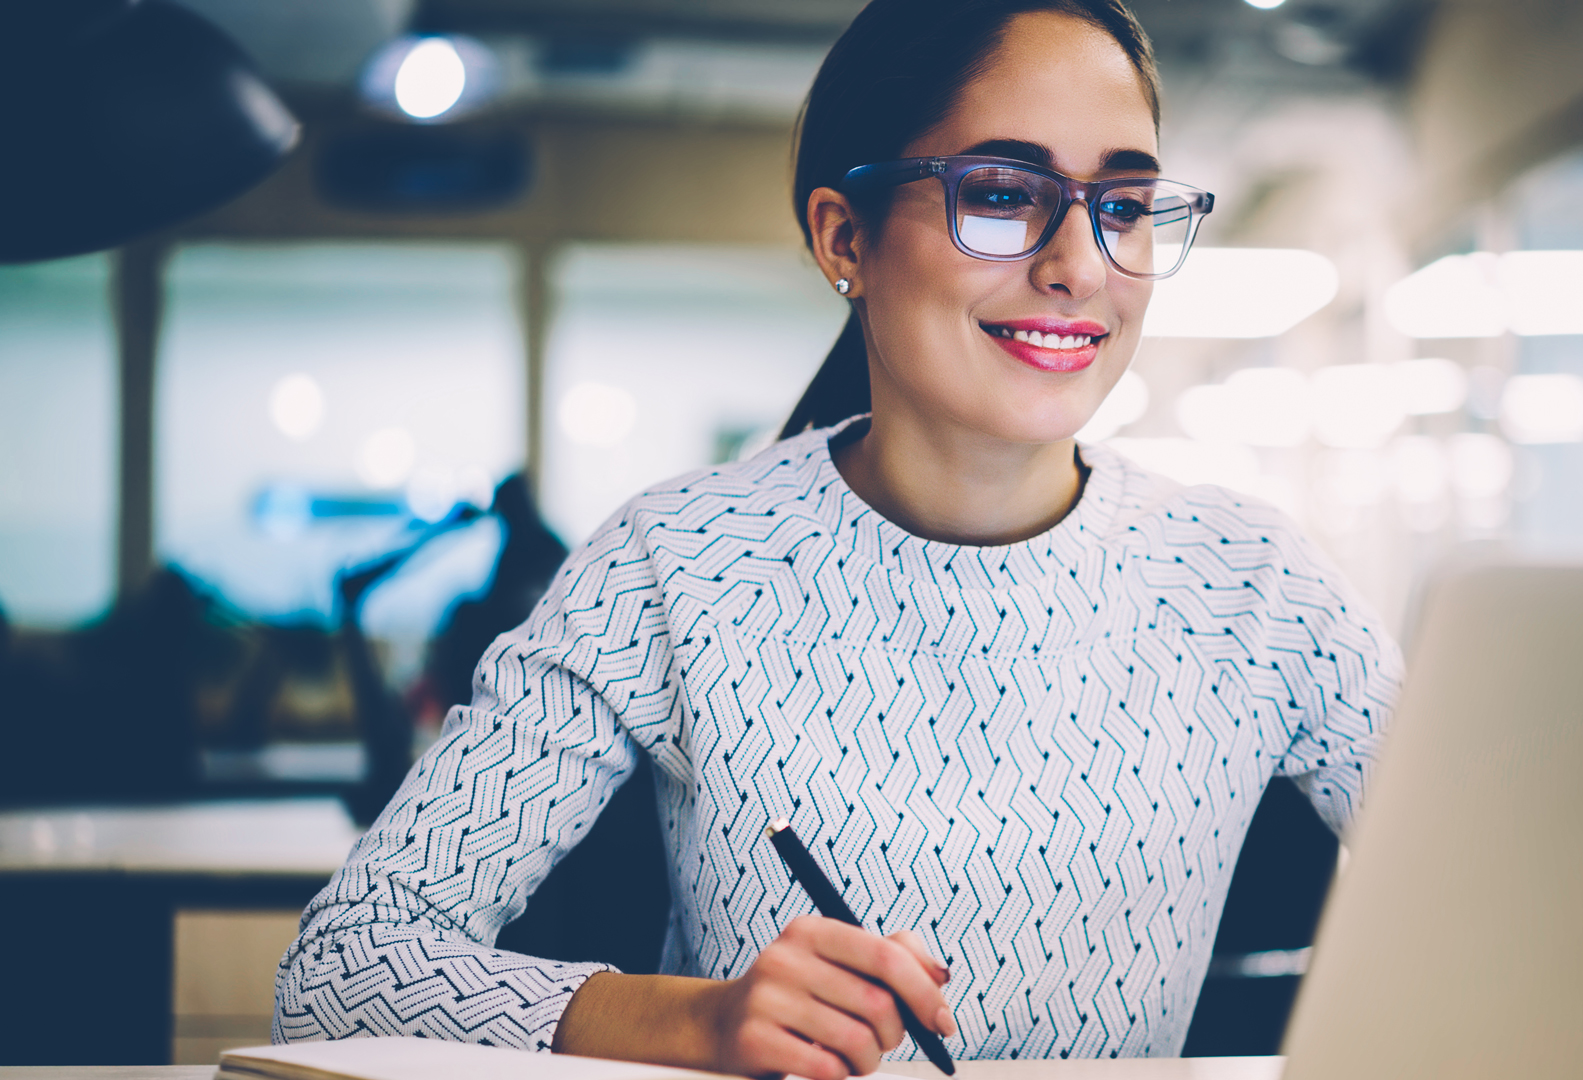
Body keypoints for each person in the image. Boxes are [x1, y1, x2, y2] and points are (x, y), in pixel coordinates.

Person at [273, 1, 1402, 1076]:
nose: (1080, 264)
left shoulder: (1254, 588)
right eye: (1005, 192)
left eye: (1121, 204)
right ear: (844, 237)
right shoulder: (681, 563)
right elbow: (343, 964)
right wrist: (688, 1021)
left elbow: (1532, 901)